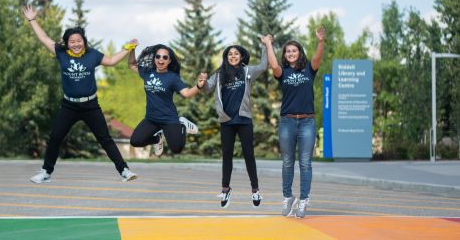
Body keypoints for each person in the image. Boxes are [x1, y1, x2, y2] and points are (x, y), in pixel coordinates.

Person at [22, 6, 139, 183]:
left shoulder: (92, 55)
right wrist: (32, 20)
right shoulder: (61, 53)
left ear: (84, 41)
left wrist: (128, 48)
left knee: (105, 138)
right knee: (55, 137)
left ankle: (124, 171)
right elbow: (44, 38)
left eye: (79, 41)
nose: (76, 44)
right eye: (72, 41)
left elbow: (112, 61)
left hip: (90, 106)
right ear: (67, 43)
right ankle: (46, 172)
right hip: (69, 106)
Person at [202, 35, 275, 208]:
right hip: (226, 120)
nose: (233, 56)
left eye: (236, 54)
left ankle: (255, 190)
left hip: (244, 119)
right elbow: (206, 89)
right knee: (227, 156)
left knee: (249, 155)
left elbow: (264, 66)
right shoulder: (219, 74)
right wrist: (202, 82)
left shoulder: (247, 71)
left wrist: (266, 45)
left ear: (241, 56)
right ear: (226, 58)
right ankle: (226, 190)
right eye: (230, 54)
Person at [271, 26, 326, 218]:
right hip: (287, 122)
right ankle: (288, 197)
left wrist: (320, 41)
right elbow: (273, 65)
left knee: (305, 163)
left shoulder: (309, 70)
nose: (291, 53)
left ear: (300, 53)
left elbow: (318, 57)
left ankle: (303, 200)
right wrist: (269, 44)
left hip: (307, 123)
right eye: (288, 51)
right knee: (287, 162)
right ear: (285, 55)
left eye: (294, 50)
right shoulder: (283, 72)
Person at [127, 44, 206, 156]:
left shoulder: (173, 78)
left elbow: (187, 93)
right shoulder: (147, 72)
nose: (161, 59)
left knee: (177, 148)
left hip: (169, 119)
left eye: (165, 57)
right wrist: (132, 49)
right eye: (158, 56)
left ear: (169, 61)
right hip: (151, 119)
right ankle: (158, 139)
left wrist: (199, 86)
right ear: (154, 59)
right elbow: (131, 65)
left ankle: (182, 124)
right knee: (135, 141)